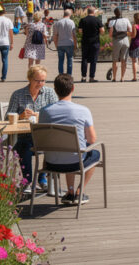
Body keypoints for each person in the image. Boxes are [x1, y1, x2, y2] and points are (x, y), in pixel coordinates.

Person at [38, 74, 101, 206]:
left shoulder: (44, 111)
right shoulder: (83, 111)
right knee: (94, 153)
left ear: (55, 90)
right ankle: (79, 192)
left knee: (70, 149)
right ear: (73, 88)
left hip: (51, 163)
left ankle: (70, 192)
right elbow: (92, 138)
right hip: (75, 163)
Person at [8, 65, 59, 195]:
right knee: (23, 146)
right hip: (25, 134)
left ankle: (43, 177)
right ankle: (28, 181)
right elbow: (7, 117)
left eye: (43, 80)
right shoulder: (18, 94)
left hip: (45, 134)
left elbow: (56, 113)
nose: (40, 84)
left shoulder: (49, 93)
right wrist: (20, 116)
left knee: (55, 144)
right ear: (30, 79)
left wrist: (38, 115)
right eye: (38, 81)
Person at [78, 7, 104, 83]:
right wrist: (98, 33)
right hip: (95, 42)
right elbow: (102, 30)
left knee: (84, 59)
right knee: (93, 60)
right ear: (94, 12)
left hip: (85, 41)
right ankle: (91, 77)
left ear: (87, 12)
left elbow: (80, 31)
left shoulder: (83, 20)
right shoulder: (97, 20)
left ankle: (83, 77)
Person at [106, 8, 131, 82]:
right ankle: (122, 77)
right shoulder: (126, 20)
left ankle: (114, 77)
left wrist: (112, 36)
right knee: (124, 60)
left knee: (115, 60)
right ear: (121, 13)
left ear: (115, 13)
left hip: (117, 40)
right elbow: (130, 30)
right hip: (125, 40)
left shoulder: (112, 21)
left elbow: (110, 33)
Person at [52, 9, 77, 76]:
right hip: (69, 43)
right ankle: (69, 75)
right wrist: (75, 44)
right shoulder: (71, 22)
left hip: (60, 43)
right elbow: (74, 34)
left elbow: (55, 35)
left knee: (60, 60)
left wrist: (56, 44)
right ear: (70, 15)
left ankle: (60, 74)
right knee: (69, 60)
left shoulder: (58, 23)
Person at [128, 13, 139, 81]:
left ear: (135, 18)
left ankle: (135, 77)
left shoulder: (134, 26)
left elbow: (133, 35)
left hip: (135, 44)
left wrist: (128, 33)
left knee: (134, 61)